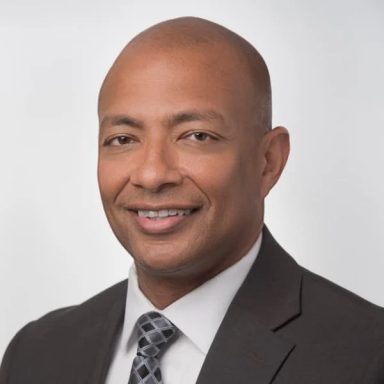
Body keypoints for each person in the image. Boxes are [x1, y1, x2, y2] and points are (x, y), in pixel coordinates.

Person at [1, 16, 384, 384]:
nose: (151, 175)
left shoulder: (368, 356)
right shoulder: (35, 354)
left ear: (268, 161)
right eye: (123, 139)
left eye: (196, 136)